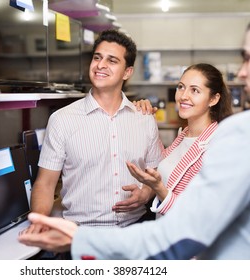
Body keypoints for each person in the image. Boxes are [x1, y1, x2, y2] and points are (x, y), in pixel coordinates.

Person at [18, 6, 250, 259]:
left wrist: (148, 193)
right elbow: (46, 183)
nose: (241, 72)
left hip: (143, 236)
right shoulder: (177, 133)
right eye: (181, 87)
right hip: (96, 230)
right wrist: (42, 225)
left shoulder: (239, 133)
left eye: (248, 57)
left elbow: (184, 229)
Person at [27, 29, 161, 236]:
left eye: (112, 60)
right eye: (97, 58)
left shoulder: (144, 119)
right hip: (80, 235)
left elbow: (155, 174)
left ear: (127, 72)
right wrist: (39, 221)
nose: (100, 65)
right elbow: (45, 184)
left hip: (137, 233)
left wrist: (146, 194)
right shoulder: (62, 119)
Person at [128, 63, 232, 216]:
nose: (183, 96)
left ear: (213, 99)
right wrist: (146, 115)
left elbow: (200, 214)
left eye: (194, 90)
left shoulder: (217, 146)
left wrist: (159, 188)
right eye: (181, 87)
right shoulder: (184, 134)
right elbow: (162, 165)